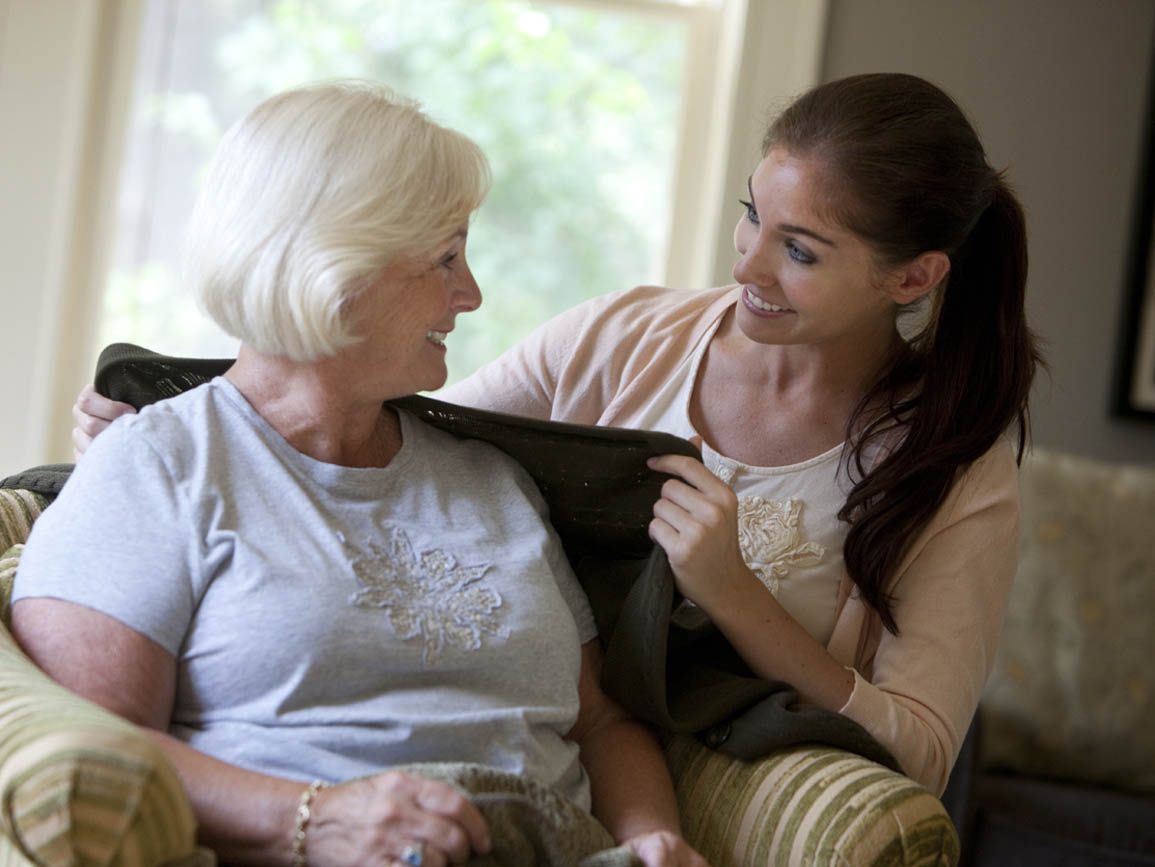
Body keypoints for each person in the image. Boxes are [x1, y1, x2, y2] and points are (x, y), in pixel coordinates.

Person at [71, 72, 1040, 797]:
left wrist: (738, 599)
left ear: (910, 279)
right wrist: (157, 416)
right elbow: (380, 410)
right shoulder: (626, 335)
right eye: (752, 215)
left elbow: (919, 748)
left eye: (800, 250)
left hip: (685, 775)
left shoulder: (954, 469)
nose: (748, 265)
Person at [18, 81, 706, 867]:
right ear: (334, 265)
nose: (471, 293)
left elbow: (602, 724)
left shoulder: (493, 480)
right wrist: (317, 817)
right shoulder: (153, 467)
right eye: (445, 257)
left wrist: (656, 838)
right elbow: (95, 751)